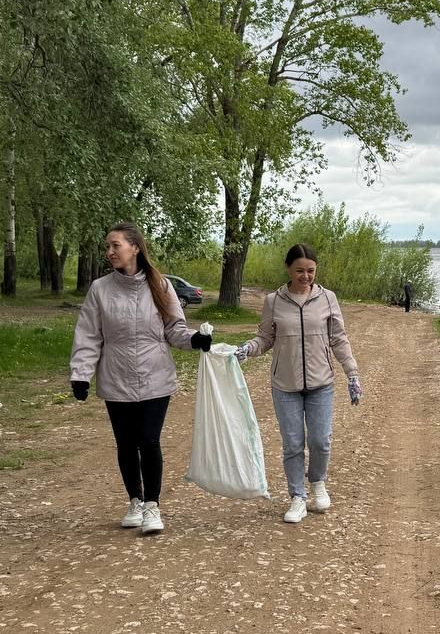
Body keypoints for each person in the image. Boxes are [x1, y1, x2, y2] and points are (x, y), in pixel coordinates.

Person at [69, 222, 211, 537]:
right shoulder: (100, 289)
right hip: (115, 378)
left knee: (148, 440)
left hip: (155, 376)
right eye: (107, 247)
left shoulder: (160, 285)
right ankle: (135, 500)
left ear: (134, 247)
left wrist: (194, 340)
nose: (109, 252)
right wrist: (81, 374)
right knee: (126, 443)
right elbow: (89, 335)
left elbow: (174, 329)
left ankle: (152, 505)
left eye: (115, 245)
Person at [235, 244, 361, 524]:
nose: (306, 276)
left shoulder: (328, 298)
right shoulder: (274, 301)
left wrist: (352, 373)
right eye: (300, 271)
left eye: (311, 271)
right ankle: (297, 497)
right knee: (292, 444)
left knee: (320, 441)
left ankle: (317, 482)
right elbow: (265, 338)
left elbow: (338, 338)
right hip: (285, 385)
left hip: (321, 383)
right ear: (288, 269)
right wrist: (247, 349)